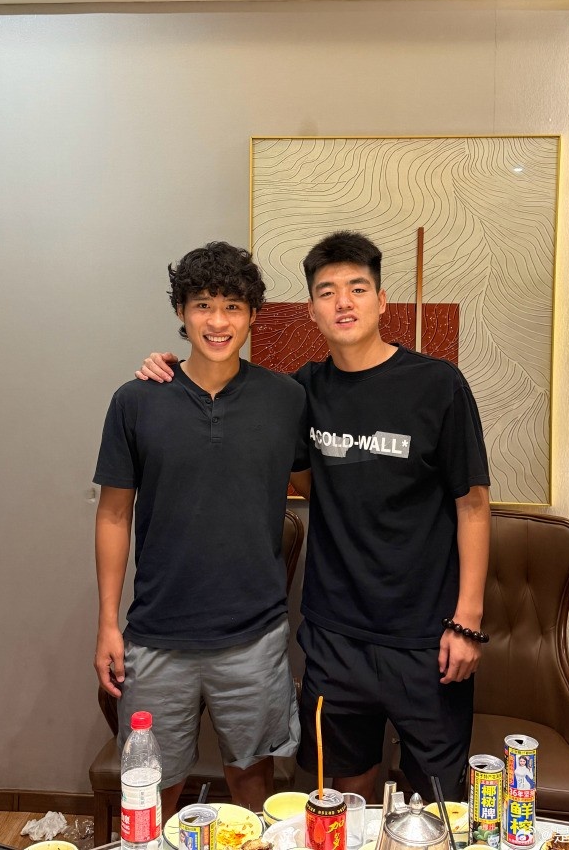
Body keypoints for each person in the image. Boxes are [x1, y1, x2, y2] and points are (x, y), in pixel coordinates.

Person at [136, 231, 491, 802]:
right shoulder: (302, 391)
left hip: (426, 634)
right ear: (311, 310)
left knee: (438, 802)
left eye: (358, 288)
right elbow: (285, 458)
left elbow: (472, 504)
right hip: (334, 633)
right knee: (345, 794)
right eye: (327, 292)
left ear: (382, 300)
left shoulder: (437, 384)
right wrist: (168, 370)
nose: (343, 302)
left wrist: (466, 620)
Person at [93, 241, 309, 816]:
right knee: (151, 791)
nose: (218, 321)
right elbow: (113, 514)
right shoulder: (137, 400)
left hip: (254, 635)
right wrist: (108, 624)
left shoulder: (286, 398)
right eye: (203, 305)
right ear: (181, 312)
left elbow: (323, 488)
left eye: (233, 306)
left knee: (254, 785)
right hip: (157, 634)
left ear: (253, 314)